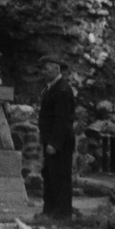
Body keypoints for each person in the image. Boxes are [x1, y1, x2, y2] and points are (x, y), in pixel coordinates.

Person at [38, 56, 76, 220]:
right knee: (50, 175)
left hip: (60, 142)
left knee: (60, 177)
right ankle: (50, 210)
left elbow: (62, 119)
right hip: (51, 140)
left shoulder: (62, 90)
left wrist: (54, 143)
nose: (43, 72)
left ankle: (62, 213)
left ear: (56, 69)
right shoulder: (50, 88)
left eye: (46, 68)